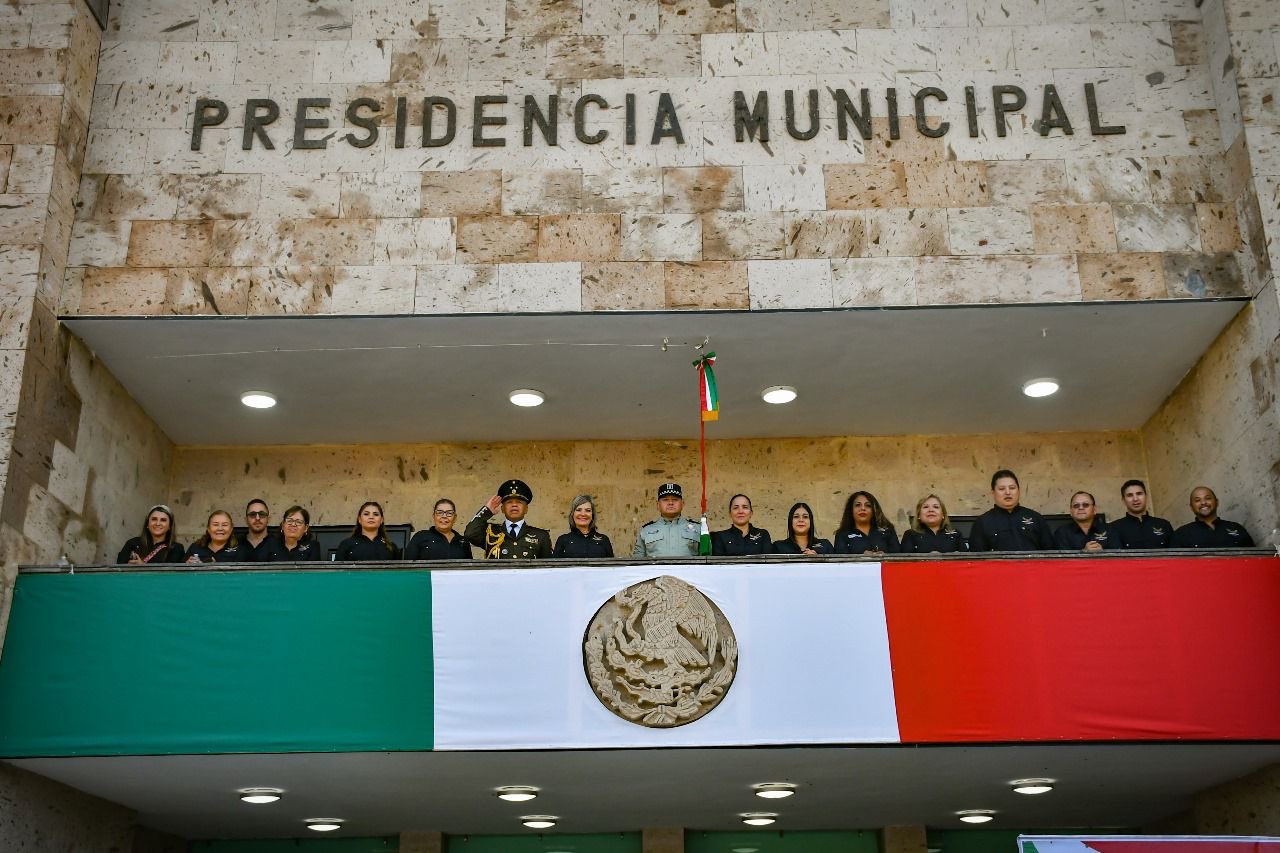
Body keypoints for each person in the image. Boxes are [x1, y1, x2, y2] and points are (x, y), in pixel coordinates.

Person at [967, 469, 1054, 551]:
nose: (1008, 492)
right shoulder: (982, 523)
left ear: (1019, 491)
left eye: (1012, 488)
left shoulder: (1036, 518)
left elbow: (1050, 552)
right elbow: (976, 557)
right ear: (993, 493)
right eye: (1001, 489)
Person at [464, 479, 553, 559]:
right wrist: (487, 511)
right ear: (502, 509)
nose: (514, 505)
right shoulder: (491, 533)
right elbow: (470, 534)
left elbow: (548, 567)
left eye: (519, 502)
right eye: (509, 502)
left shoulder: (541, 536)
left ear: (526, 509)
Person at [633, 482, 702, 558]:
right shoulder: (646, 530)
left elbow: (707, 557)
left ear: (682, 504)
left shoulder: (698, 528)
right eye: (665, 500)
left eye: (675, 499)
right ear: (658, 505)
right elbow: (637, 560)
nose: (670, 503)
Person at [1171, 486, 1256, 548]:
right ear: (1191, 507)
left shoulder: (1236, 528)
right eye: (1197, 500)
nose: (1203, 502)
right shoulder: (1181, 534)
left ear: (1217, 502)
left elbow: (1254, 558)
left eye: (1208, 498)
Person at [1107, 479, 1173, 549]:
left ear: (1146, 496)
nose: (1135, 499)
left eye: (1139, 494)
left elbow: (1176, 553)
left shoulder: (1164, 525)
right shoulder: (1113, 528)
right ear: (1123, 500)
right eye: (1130, 495)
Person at [404, 498, 473, 560]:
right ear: (433, 516)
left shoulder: (463, 542)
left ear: (455, 518)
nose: (444, 516)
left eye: (449, 513)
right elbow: (407, 567)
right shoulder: (420, 537)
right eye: (439, 513)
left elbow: (470, 568)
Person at [834, 491, 900, 554]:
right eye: (858, 505)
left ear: (874, 510)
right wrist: (862, 557)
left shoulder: (887, 531)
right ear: (851, 510)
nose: (863, 508)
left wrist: (885, 557)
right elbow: (840, 560)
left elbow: (899, 558)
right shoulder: (842, 535)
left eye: (868, 505)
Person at [117, 504, 186, 564]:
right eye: (154, 519)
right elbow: (117, 570)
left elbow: (172, 574)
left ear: (170, 526)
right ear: (147, 524)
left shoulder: (176, 548)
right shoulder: (132, 543)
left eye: (163, 520)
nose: (158, 523)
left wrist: (142, 568)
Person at [899, 494, 968, 553]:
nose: (931, 510)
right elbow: (904, 561)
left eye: (936, 507)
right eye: (926, 507)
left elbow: (967, 561)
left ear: (943, 515)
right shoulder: (910, 535)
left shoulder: (955, 534)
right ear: (919, 515)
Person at [336, 501, 401, 560]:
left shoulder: (391, 547)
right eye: (366, 514)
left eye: (376, 514)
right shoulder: (346, 545)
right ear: (359, 519)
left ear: (381, 520)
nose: (371, 517)